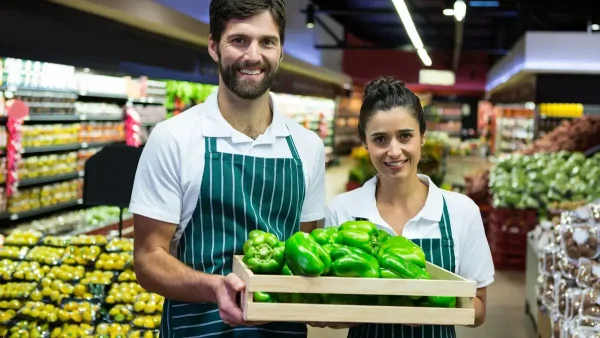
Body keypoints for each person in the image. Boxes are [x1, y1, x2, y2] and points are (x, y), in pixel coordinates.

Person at [129, 0, 326, 337]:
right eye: (238, 40)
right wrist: (214, 287)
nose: (253, 55)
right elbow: (148, 259)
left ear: (280, 50)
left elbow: (306, 255)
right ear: (213, 46)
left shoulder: (308, 146)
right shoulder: (174, 138)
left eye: (267, 41)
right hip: (195, 328)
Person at [324, 76, 494, 337]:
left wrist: (424, 310)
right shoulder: (343, 209)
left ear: (422, 136)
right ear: (364, 143)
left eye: (405, 136)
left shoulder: (461, 211)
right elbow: (330, 306)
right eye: (380, 139)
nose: (394, 151)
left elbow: (479, 310)